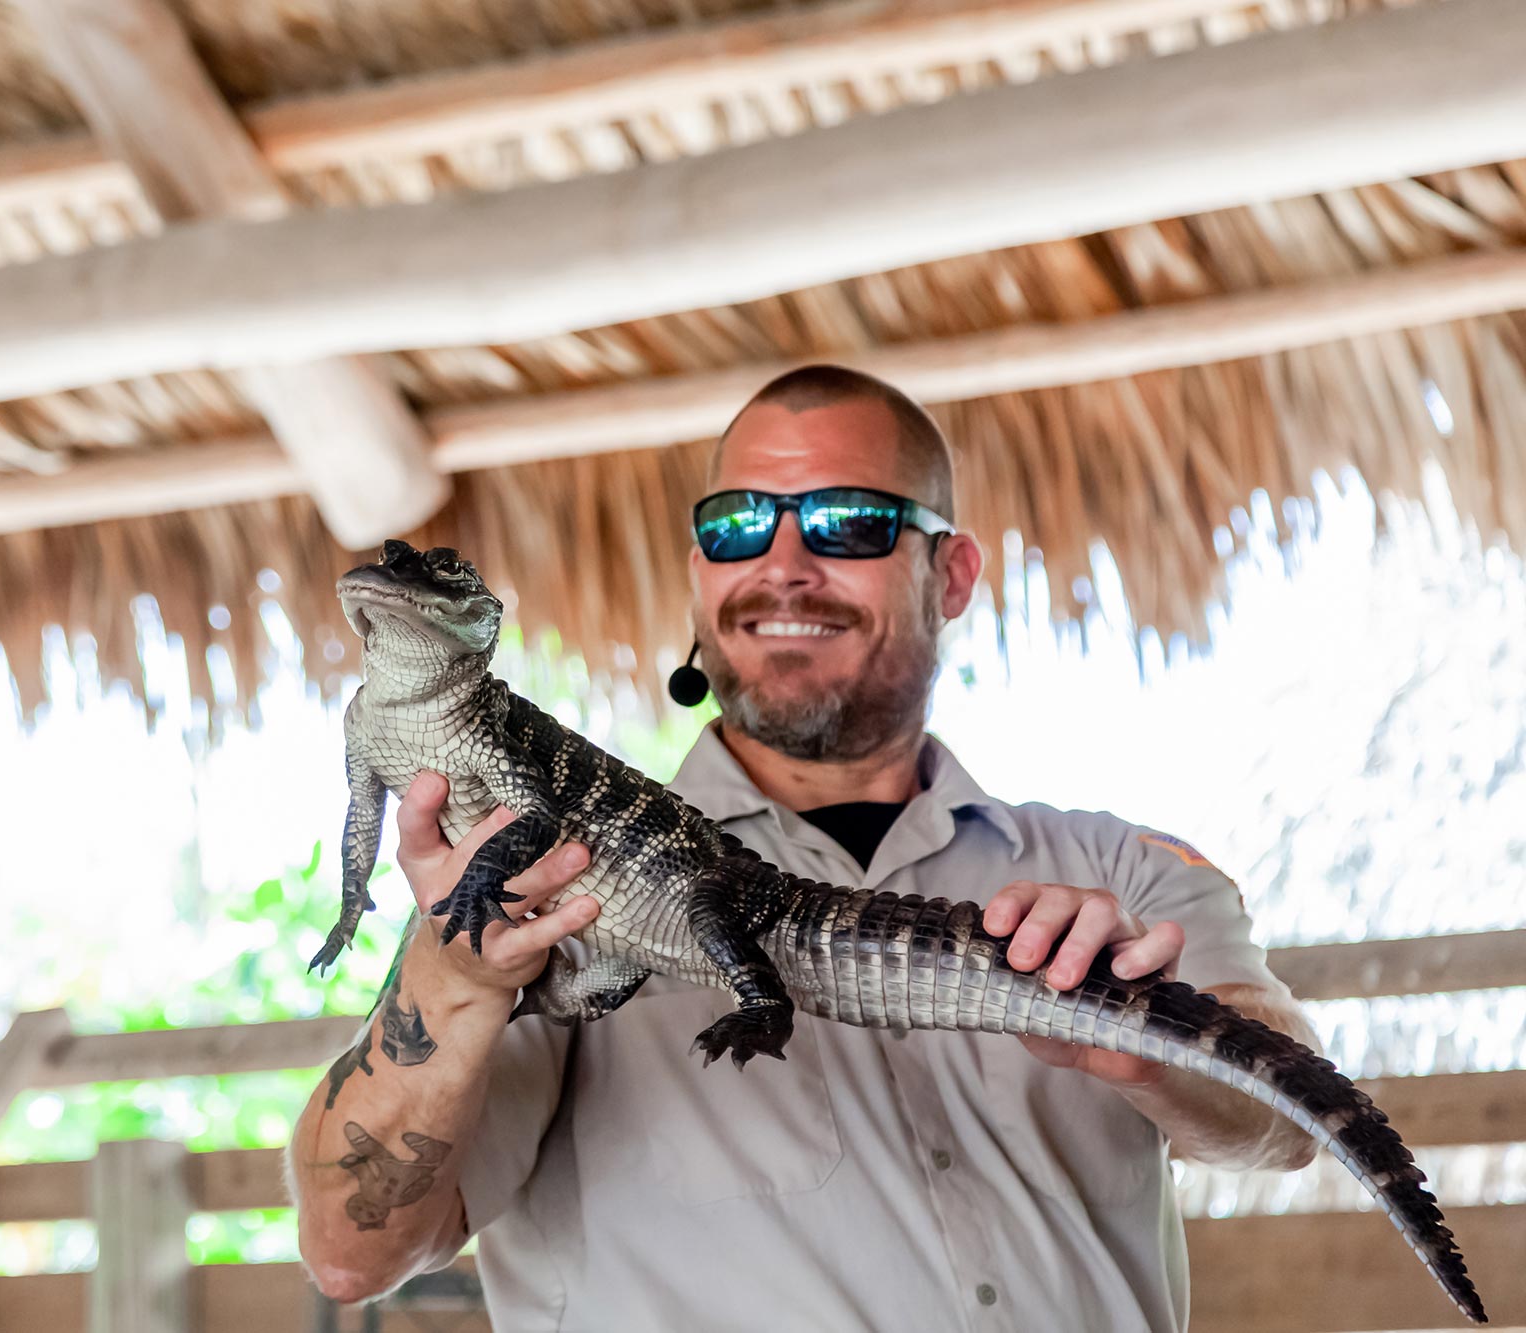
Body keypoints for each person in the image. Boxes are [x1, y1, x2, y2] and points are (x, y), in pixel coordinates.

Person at [286, 364, 1321, 1332]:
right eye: (737, 526)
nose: (782, 566)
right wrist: (452, 978)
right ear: (699, 572)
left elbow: (1290, 1122)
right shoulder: (541, 891)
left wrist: (1133, 1039)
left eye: (847, 521)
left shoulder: (1122, 873)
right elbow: (349, 1251)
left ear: (949, 573)